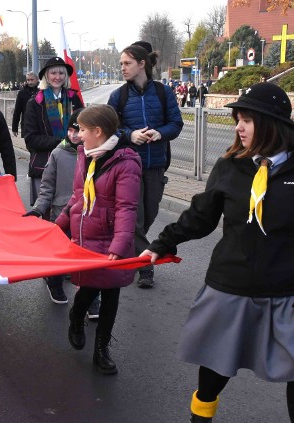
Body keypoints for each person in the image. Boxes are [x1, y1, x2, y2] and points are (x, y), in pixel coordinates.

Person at [140, 82, 294, 423]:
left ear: (271, 124)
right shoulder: (231, 166)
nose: (239, 127)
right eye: (237, 120)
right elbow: (201, 215)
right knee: (217, 363)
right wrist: (162, 243)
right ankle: (200, 417)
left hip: (292, 293)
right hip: (231, 285)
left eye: (247, 120)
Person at [56, 105, 141, 375]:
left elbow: (127, 208)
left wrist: (119, 245)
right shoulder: (85, 155)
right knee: (88, 289)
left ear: (98, 131)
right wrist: (59, 225)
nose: (78, 135)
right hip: (86, 236)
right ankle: (76, 317)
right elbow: (78, 196)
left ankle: (102, 349)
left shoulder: (126, 163)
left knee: (111, 294)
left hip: (112, 239)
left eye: (82, 129)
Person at [107, 41, 183, 289]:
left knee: (148, 215)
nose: (122, 68)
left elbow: (176, 123)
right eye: (121, 63)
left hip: (157, 165)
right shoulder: (118, 96)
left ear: (142, 64)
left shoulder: (163, 93)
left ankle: (131, 248)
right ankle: (145, 267)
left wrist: (160, 134)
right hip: (129, 167)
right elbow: (110, 130)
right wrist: (130, 135)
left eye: (127, 63)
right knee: (136, 220)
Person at [24, 110, 82, 305]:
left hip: (87, 216)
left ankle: (91, 298)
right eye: (71, 130)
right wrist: (38, 208)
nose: (74, 135)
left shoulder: (96, 154)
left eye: (79, 131)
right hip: (62, 213)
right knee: (61, 252)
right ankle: (54, 282)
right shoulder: (58, 153)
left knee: (85, 254)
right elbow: (47, 187)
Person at [24, 56, 83, 226]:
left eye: (61, 73)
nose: (57, 77)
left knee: (74, 212)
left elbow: (84, 129)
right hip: (44, 165)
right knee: (48, 215)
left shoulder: (74, 98)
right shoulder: (35, 102)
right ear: (46, 76)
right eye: (53, 73)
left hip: (73, 163)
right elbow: (30, 139)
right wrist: (61, 142)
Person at [11, 71, 39, 137]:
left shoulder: (42, 91)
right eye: (28, 80)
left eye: (32, 80)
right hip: (26, 125)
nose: (30, 82)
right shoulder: (22, 93)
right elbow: (17, 111)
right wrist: (14, 128)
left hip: (40, 126)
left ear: (37, 79)